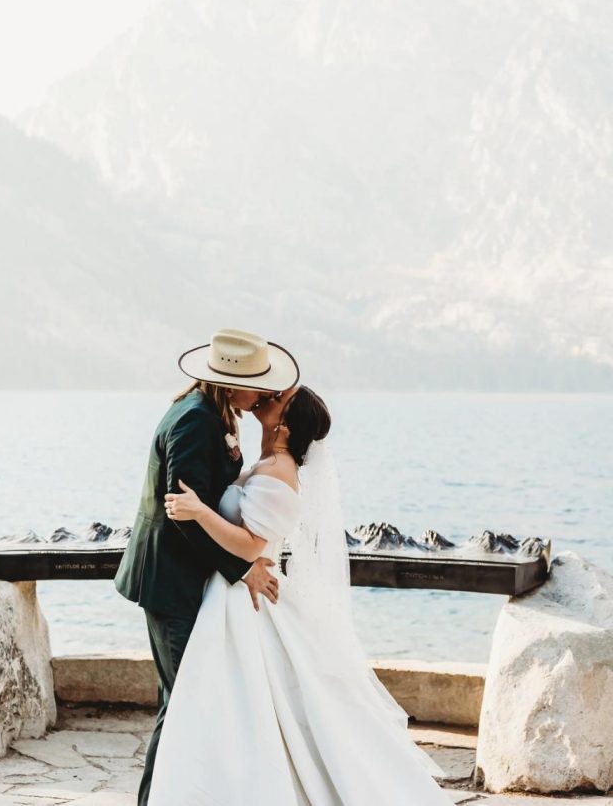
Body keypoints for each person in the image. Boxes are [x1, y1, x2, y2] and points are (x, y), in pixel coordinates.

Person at [148, 385, 453, 805]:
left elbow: (251, 547)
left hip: (243, 598)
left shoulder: (279, 472)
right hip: (230, 595)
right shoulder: (268, 463)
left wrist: (200, 511)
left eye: (279, 399)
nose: (267, 396)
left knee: (219, 707)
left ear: (286, 426)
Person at [115, 328, 300, 806]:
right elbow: (183, 515)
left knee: (182, 701)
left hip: (182, 577)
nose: (263, 395)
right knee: (182, 703)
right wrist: (244, 568)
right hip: (169, 581)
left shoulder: (210, 413)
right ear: (232, 383)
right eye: (257, 386)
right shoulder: (196, 421)